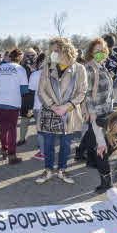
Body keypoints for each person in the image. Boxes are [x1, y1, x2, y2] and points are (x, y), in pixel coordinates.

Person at [35, 38, 87, 185]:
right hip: (50, 111)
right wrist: (52, 106)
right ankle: (48, 169)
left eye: (56, 50)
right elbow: (41, 90)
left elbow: (82, 92)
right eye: (51, 51)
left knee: (66, 143)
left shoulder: (79, 69)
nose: (53, 53)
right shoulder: (47, 67)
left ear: (66, 50)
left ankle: (62, 170)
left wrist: (66, 106)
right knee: (48, 143)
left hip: (68, 112)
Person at [76, 37, 114, 163]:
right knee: (97, 136)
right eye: (97, 50)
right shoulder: (89, 68)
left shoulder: (102, 66)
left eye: (103, 50)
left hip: (105, 107)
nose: (100, 53)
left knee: (92, 133)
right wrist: (91, 113)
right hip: (96, 109)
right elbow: (87, 93)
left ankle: (80, 152)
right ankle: (92, 160)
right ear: (91, 52)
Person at [0, 49, 28, 164]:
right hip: (11, 102)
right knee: (12, 128)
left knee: (3, 127)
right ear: (20, 58)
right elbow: (24, 89)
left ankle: (4, 149)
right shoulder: (20, 69)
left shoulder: (0, 68)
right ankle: (12, 155)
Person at [17, 48, 37, 146]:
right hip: (26, 98)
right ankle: (22, 139)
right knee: (25, 119)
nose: (31, 57)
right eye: (28, 55)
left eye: (33, 55)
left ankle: (41, 141)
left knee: (39, 120)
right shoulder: (21, 68)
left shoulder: (40, 67)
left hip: (38, 99)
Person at [28, 53, 46, 160]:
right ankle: (49, 151)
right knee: (50, 131)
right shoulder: (56, 74)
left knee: (40, 131)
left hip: (38, 105)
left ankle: (43, 153)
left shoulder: (35, 75)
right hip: (53, 106)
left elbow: (32, 89)